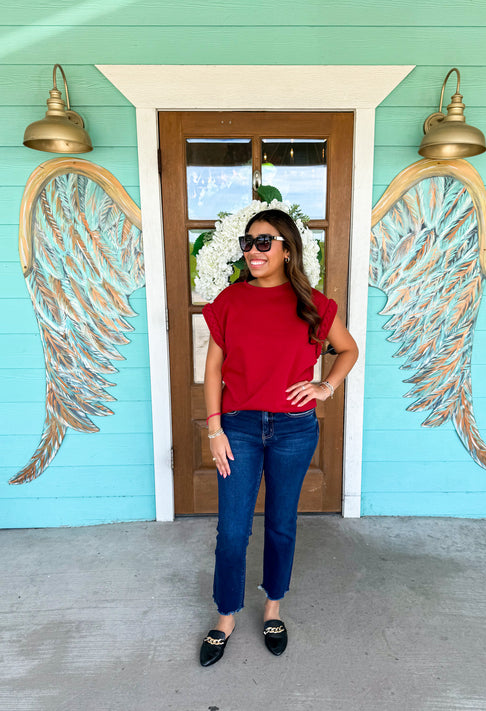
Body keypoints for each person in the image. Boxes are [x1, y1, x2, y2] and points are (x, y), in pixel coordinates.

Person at [199, 209, 358, 666]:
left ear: (287, 248)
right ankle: (226, 614)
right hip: (239, 427)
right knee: (232, 529)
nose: (253, 251)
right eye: (247, 243)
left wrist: (325, 385)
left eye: (264, 242)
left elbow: (348, 349)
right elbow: (212, 369)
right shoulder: (230, 300)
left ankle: (273, 608)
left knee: (281, 523)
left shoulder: (313, 304)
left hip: (294, 428)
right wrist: (214, 429)